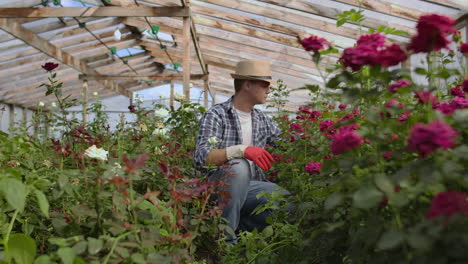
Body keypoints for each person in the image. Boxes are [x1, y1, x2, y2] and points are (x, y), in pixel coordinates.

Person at [194, 60, 289, 243]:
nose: (269, 90)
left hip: (248, 189)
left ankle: (240, 228)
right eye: (265, 84)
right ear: (247, 84)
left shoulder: (262, 120)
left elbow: (289, 143)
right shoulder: (216, 115)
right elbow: (201, 158)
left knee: (285, 201)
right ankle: (225, 243)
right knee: (238, 166)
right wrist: (242, 150)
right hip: (216, 188)